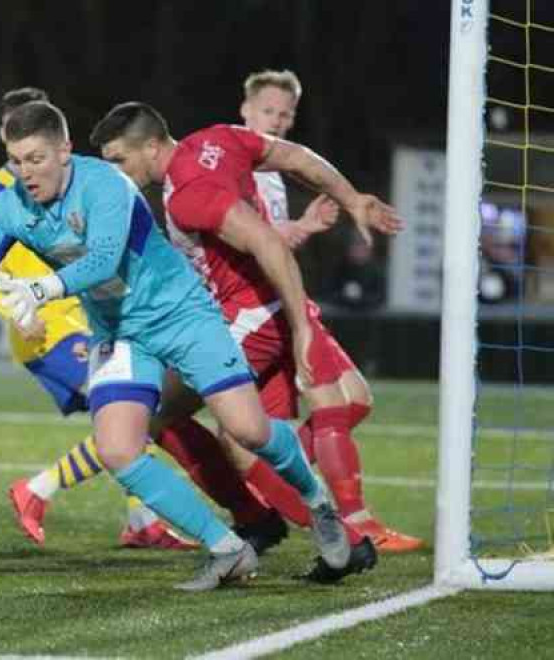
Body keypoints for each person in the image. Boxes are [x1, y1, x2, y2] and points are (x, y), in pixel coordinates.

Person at [0, 100, 354, 591]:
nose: (26, 173)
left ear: (64, 151)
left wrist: (40, 289)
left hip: (182, 315)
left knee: (248, 429)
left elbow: (104, 260)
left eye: (37, 159)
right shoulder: (9, 208)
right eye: (17, 160)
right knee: (118, 450)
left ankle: (319, 504)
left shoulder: (105, 184)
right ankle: (227, 549)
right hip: (118, 333)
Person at [89, 94, 418, 572]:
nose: (116, 173)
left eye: (119, 160)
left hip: (251, 315)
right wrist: (353, 200)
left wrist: (302, 328)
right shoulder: (215, 140)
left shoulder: (189, 192)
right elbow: (296, 157)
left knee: (165, 418)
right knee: (261, 435)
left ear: (152, 145)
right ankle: (302, 529)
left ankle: (296, 528)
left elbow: (265, 241)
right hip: (268, 308)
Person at [0, 87, 192, 550]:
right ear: (4, 136)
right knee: (131, 412)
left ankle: (141, 520)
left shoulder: (69, 186)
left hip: (90, 319)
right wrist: (17, 312)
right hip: (48, 330)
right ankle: (37, 490)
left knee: (133, 410)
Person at [238, 70, 419, 550]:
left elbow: (270, 239)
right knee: (329, 406)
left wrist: (303, 226)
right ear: (245, 111)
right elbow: (249, 244)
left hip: (282, 300)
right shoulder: (236, 168)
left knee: (353, 401)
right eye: (268, 111)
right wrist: (300, 229)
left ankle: (271, 488)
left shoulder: (271, 170)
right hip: (259, 309)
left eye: (285, 114)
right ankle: (359, 523)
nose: (276, 121)